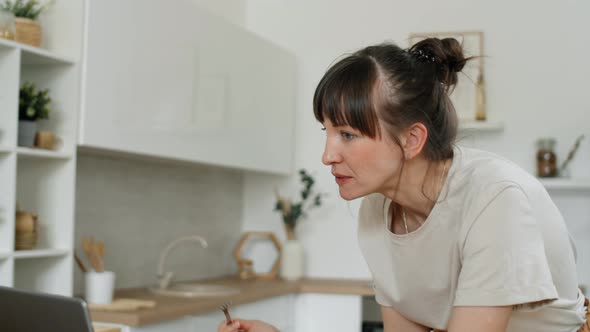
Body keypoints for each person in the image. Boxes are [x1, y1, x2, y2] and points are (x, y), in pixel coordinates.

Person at [218, 38, 589, 332]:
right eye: (327, 132)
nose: (327, 156)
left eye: (347, 134)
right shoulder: (377, 209)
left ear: (412, 140)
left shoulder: (495, 198)